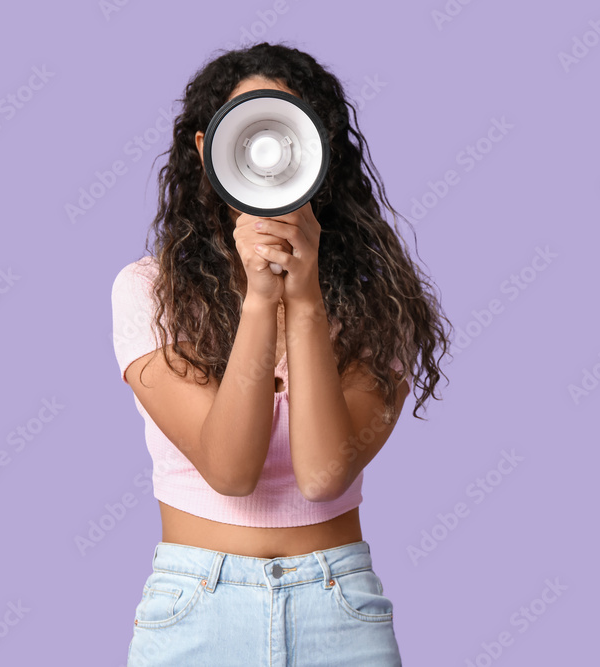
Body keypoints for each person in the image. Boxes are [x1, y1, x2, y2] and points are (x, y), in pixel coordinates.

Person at [112, 42, 451, 666]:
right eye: (245, 133)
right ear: (205, 150)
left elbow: (323, 477)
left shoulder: (380, 304)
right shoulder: (150, 291)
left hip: (338, 611)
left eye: (285, 132)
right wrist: (259, 298)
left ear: (321, 152)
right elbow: (230, 471)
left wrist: (306, 295)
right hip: (196, 611)